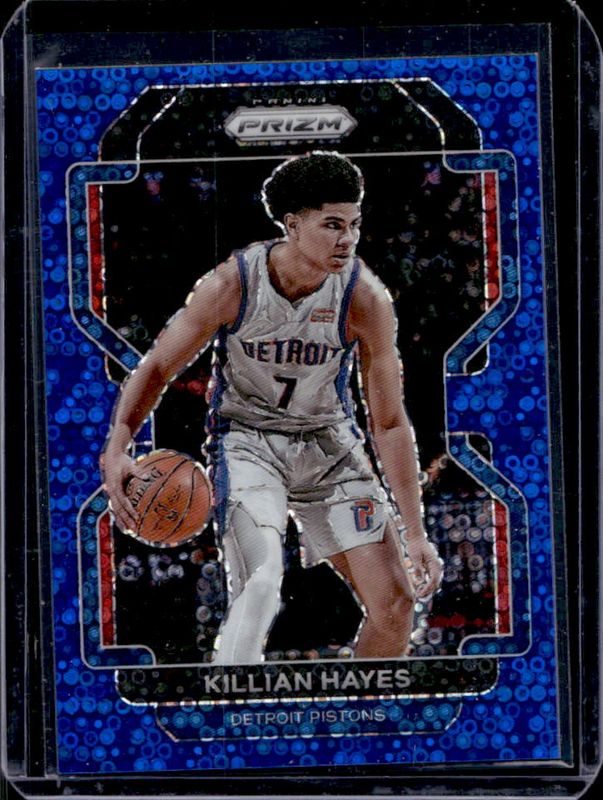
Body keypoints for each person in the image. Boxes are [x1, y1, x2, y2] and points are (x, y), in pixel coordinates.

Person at [102, 151, 443, 665]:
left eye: (353, 224)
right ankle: (232, 700)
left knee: (395, 604)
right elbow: (156, 368)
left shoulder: (364, 298)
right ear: (292, 224)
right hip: (247, 442)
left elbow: (390, 423)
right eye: (332, 225)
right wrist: (117, 448)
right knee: (260, 583)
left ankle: (364, 712)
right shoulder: (233, 284)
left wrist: (415, 533)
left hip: (328, 444)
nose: (347, 238)